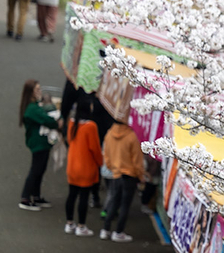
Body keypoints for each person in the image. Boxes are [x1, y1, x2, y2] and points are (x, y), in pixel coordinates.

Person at [101, 119, 145, 242]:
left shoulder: (109, 134)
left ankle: (105, 229)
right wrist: (140, 175)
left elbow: (107, 155)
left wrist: (112, 168)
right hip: (129, 176)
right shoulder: (131, 136)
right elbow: (137, 160)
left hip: (116, 174)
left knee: (114, 202)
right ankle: (119, 232)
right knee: (125, 205)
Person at [18, 80, 58, 211]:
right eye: (37, 90)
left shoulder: (32, 107)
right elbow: (47, 120)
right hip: (39, 142)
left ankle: (35, 195)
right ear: (31, 93)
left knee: (40, 169)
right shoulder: (33, 109)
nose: (40, 92)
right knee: (36, 169)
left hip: (39, 142)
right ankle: (26, 197)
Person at [65, 99, 102, 236]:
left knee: (72, 195)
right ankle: (81, 226)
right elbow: (95, 148)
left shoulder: (72, 123)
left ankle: (69, 223)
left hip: (72, 166)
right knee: (84, 197)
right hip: (86, 167)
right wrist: (100, 162)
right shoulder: (91, 126)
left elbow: (69, 140)